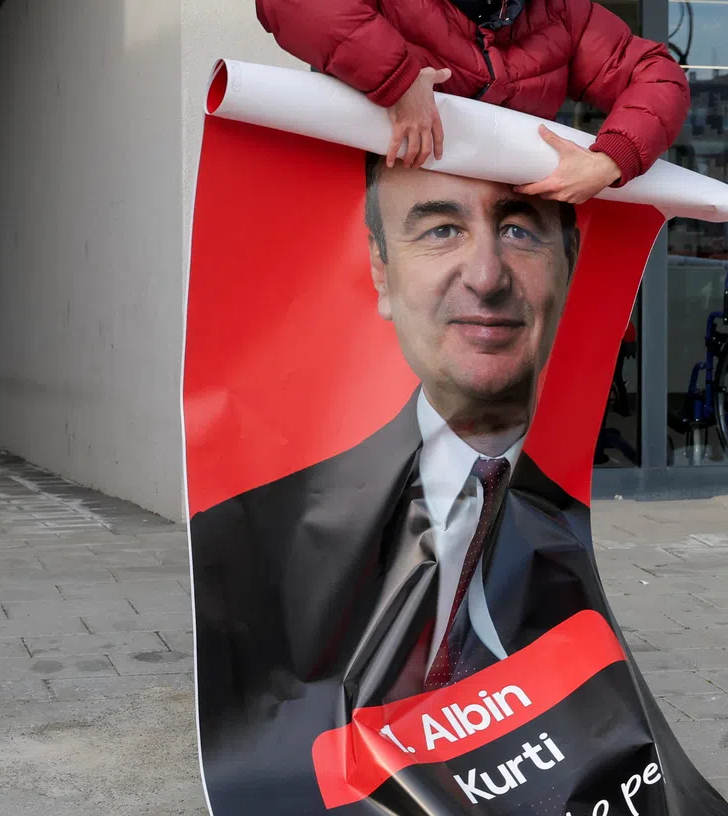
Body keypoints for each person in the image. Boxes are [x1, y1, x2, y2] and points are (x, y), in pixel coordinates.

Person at [190, 160, 580, 741]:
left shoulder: (582, 521)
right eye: (441, 230)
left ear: (569, 262)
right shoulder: (249, 536)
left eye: (519, 230)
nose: (486, 275)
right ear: (380, 270)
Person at [254, 0, 690, 204]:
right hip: (374, 221)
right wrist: (401, 82)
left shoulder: (565, 14)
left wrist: (610, 161)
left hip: (504, 237)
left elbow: (656, 73)